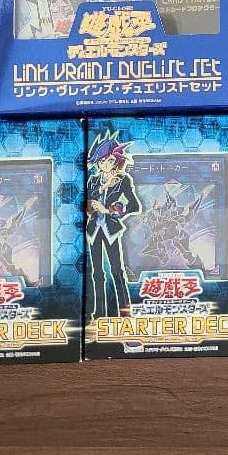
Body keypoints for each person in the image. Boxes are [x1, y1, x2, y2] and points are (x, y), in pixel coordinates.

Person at [86, 132, 141, 321]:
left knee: (117, 271)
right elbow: (87, 206)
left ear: (116, 160)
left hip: (110, 229)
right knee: (97, 273)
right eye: (101, 161)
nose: (105, 164)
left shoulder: (123, 180)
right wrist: (99, 194)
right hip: (94, 230)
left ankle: (125, 313)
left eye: (109, 160)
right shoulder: (93, 181)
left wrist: (109, 210)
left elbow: (134, 205)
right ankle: (100, 312)